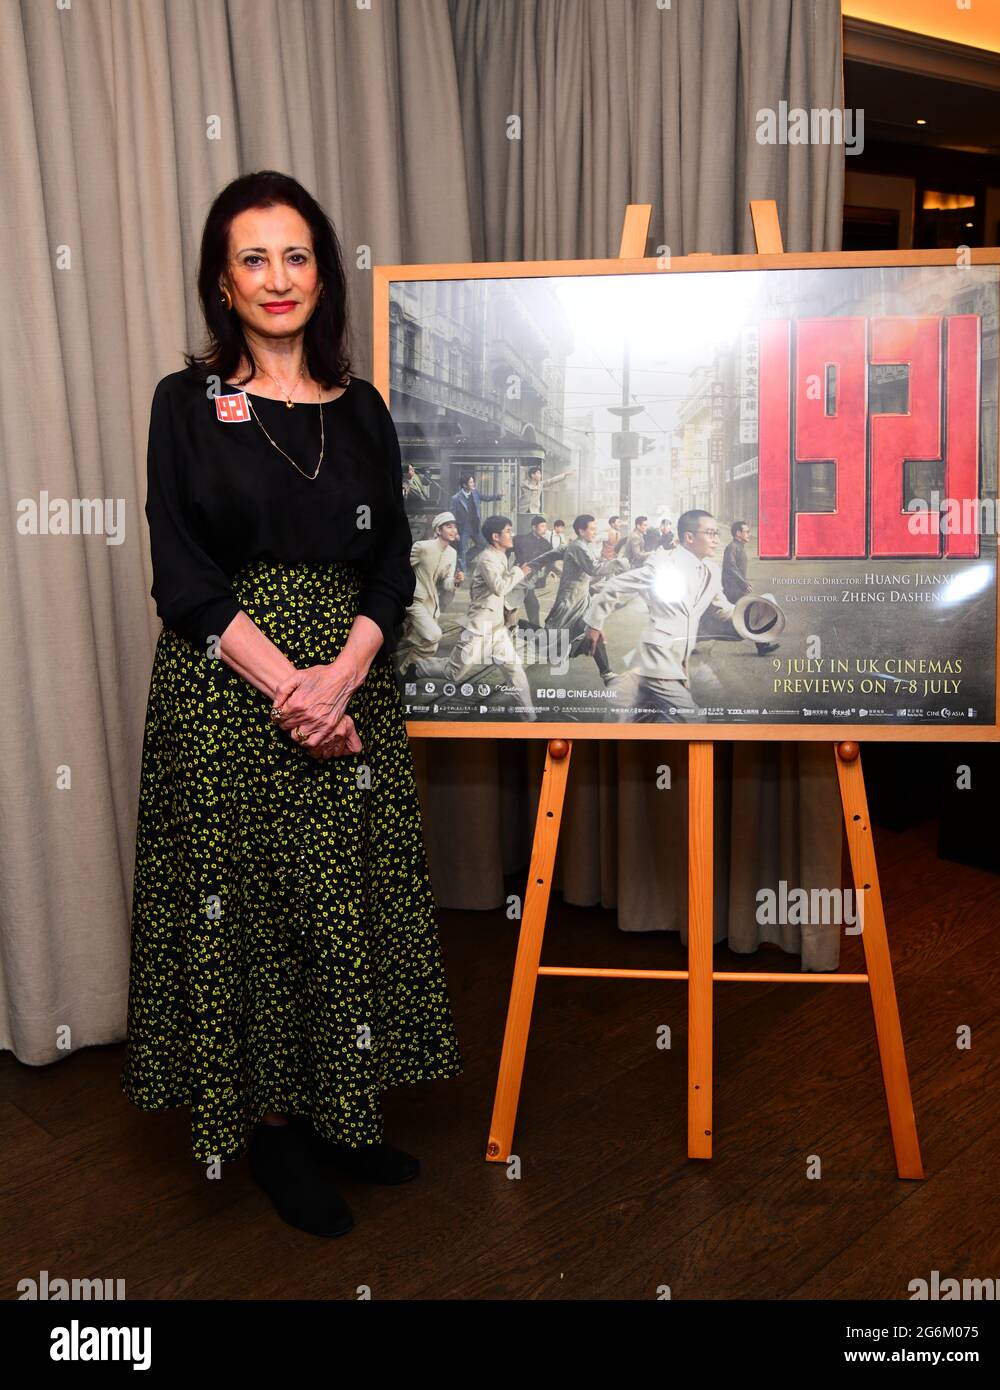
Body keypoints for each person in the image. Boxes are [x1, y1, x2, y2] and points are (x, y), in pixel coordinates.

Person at [121, 171, 463, 1239]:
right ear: (222, 283)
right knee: (261, 912)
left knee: (347, 897)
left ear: (324, 271)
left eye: (298, 254)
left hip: (355, 685)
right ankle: (275, 1132)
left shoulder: (360, 408)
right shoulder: (187, 405)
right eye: (254, 259)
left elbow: (396, 562)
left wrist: (348, 670)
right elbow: (182, 577)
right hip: (232, 695)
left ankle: (347, 1107)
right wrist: (293, 690)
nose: (279, 279)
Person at [582, 509, 738, 720]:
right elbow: (616, 585)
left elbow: (722, 609)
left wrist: (752, 618)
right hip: (659, 655)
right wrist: (594, 624)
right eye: (710, 533)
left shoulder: (712, 571)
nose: (716, 539)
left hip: (677, 659)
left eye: (717, 533)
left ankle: (616, 718)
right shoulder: (664, 562)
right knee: (693, 720)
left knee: (642, 716)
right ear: (689, 537)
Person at [414, 515, 537, 720]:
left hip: (496, 629)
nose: (511, 534)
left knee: (515, 671)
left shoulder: (501, 555)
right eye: (508, 530)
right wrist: (519, 571)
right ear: (495, 536)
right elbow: (499, 588)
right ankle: (417, 667)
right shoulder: (486, 558)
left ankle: (530, 719)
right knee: (454, 673)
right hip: (478, 629)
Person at [544, 513, 625, 684]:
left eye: (596, 529)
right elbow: (593, 569)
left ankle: (606, 673)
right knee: (552, 644)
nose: (595, 532)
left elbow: (589, 575)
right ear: (581, 530)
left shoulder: (584, 546)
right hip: (570, 601)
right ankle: (516, 628)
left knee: (592, 631)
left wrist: (600, 583)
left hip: (581, 600)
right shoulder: (578, 546)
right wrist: (619, 564)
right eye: (592, 529)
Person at [396, 511, 460, 676]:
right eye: (448, 526)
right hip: (414, 599)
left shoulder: (452, 553)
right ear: (438, 530)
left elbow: (447, 583)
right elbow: (401, 567)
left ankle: (404, 673)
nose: (453, 530)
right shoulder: (423, 547)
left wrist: (456, 581)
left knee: (431, 645)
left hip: (431, 605)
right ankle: (404, 672)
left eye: (454, 526)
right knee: (434, 635)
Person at [713, 519, 779, 656]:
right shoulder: (732, 547)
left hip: (737, 590)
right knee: (751, 615)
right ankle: (762, 645)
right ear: (738, 533)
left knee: (747, 617)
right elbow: (731, 567)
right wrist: (743, 583)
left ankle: (762, 645)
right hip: (733, 591)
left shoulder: (739, 547)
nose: (749, 534)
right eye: (746, 532)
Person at [511, 514, 561, 627]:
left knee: (532, 605)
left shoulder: (546, 544)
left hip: (530, 580)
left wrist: (552, 571)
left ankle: (534, 630)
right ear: (534, 527)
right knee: (515, 606)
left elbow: (549, 561)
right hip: (517, 577)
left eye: (545, 526)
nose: (545, 529)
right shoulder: (520, 539)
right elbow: (507, 550)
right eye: (542, 526)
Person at [450, 470, 502, 577]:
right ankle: (462, 575)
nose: (473, 484)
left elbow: (486, 498)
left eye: (473, 482)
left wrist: (498, 496)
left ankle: (465, 560)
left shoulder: (475, 492)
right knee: (461, 551)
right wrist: (455, 532)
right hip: (463, 529)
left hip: (475, 527)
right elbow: (452, 516)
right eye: (471, 482)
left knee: (482, 545)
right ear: (464, 485)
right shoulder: (456, 499)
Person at [516, 463, 572, 534]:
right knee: (522, 529)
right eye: (538, 473)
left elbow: (551, 481)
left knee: (534, 528)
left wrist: (564, 475)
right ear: (532, 475)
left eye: (540, 473)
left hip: (534, 510)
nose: (540, 475)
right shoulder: (524, 484)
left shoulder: (540, 484)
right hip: (522, 510)